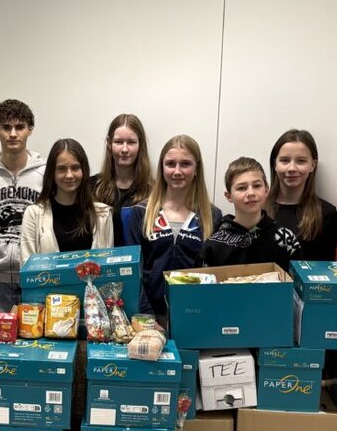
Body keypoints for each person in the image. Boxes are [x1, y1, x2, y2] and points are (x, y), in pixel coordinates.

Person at [125, 134, 222, 319]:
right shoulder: (140, 213)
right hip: (150, 317)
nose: (177, 171)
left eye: (185, 164)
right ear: (162, 167)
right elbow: (132, 273)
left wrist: (198, 315)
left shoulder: (212, 216)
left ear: (196, 169)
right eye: (170, 164)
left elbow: (214, 275)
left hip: (195, 315)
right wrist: (147, 318)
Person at [0, 99, 44, 311]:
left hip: (36, 274)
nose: (13, 134)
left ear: (30, 130)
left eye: (20, 127)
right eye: (6, 127)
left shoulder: (46, 174)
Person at [201, 156, 301, 269]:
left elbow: (300, 279)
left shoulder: (283, 238)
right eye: (242, 188)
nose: (250, 193)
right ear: (229, 196)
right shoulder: (215, 244)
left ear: (266, 190)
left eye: (257, 186)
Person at [21, 139, 113, 260]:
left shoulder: (103, 215)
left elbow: (109, 267)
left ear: (84, 170)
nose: (69, 175)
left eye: (75, 168)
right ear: (52, 173)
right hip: (48, 279)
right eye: (62, 169)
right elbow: (27, 266)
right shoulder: (33, 214)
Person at [265, 129, 337, 260]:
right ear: (274, 164)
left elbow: (326, 270)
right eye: (285, 160)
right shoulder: (258, 209)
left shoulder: (326, 213)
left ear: (312, 165)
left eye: (301, 161)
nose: (292, 168)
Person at [90, 113, 154, 245]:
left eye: (131, 142)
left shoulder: (154, 191)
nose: (124, 149)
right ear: (109, 143)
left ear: (140, 144)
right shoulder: (91, 187)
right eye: (118, 142)